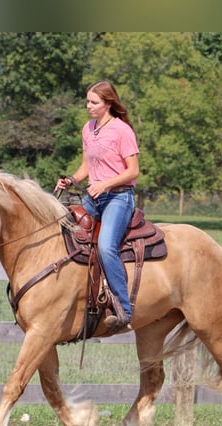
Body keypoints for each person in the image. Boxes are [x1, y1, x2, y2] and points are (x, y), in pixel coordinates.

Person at [56, 80, 140, 334]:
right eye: (87, 102)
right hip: (94, 197)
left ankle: (123, 308)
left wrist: (105, 185)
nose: (88, 106)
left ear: (108, 103)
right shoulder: (88, 128)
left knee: (105, 245)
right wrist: (72, 179)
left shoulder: (122, 131)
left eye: (94, 102)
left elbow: (133, 172)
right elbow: (86, 168)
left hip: (119, 197)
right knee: (64, 229)